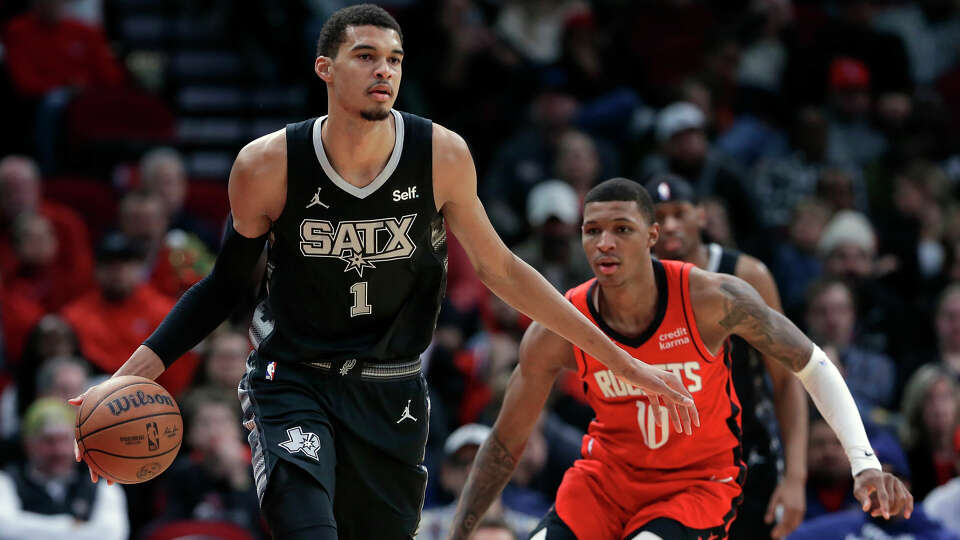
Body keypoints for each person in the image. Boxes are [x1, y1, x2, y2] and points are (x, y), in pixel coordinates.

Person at [69, 6, 696, 540]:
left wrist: (624, 360)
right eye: (366, 56)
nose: (384, 71)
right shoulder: (268, 165)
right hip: (294, 379)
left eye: (394, 59)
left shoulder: (440, 154)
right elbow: (222, 287)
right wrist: (124, 378)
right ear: (325, 68)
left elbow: (504, 270)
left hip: (391, 387)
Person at [449, 178, 912, 540]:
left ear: (652, 236)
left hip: (696, 485)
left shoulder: (712, 298)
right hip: (603, 483)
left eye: (622, 230)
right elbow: (504, 443)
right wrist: (458, 533)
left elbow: (811, 364)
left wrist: (864, 462)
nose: (605, 243)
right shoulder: (560, 326)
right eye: (592, 231)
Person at [646, 174, 808, 540]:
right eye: (659, 216)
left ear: (701, 215)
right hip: (670, 464)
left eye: (679, 213)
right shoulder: (636, 284)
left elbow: (786, 379)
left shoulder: (746, 275)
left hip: (746, 458)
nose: (669, 225)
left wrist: (796, 477)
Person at [0, 399, 128, 540]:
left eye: (65, 440)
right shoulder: (7, 481)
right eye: (49, 441)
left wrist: (28, 527)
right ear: (28, 445)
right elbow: (5, 528)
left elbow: (111, 535)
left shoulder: (101, 486)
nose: (59, 450)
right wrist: (71, 526)